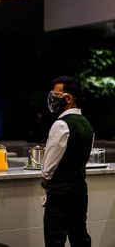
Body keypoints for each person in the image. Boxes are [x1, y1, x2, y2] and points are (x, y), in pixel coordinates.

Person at [41, 75, 94, 247]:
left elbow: (49, 164)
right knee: (80, 237)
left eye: (57, 95)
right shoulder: (86, 124)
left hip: (60, 192)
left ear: (69, 98)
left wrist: (45, 181)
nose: (54, 99)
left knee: (55, 238)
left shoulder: (61, 124)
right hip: (80, 190)